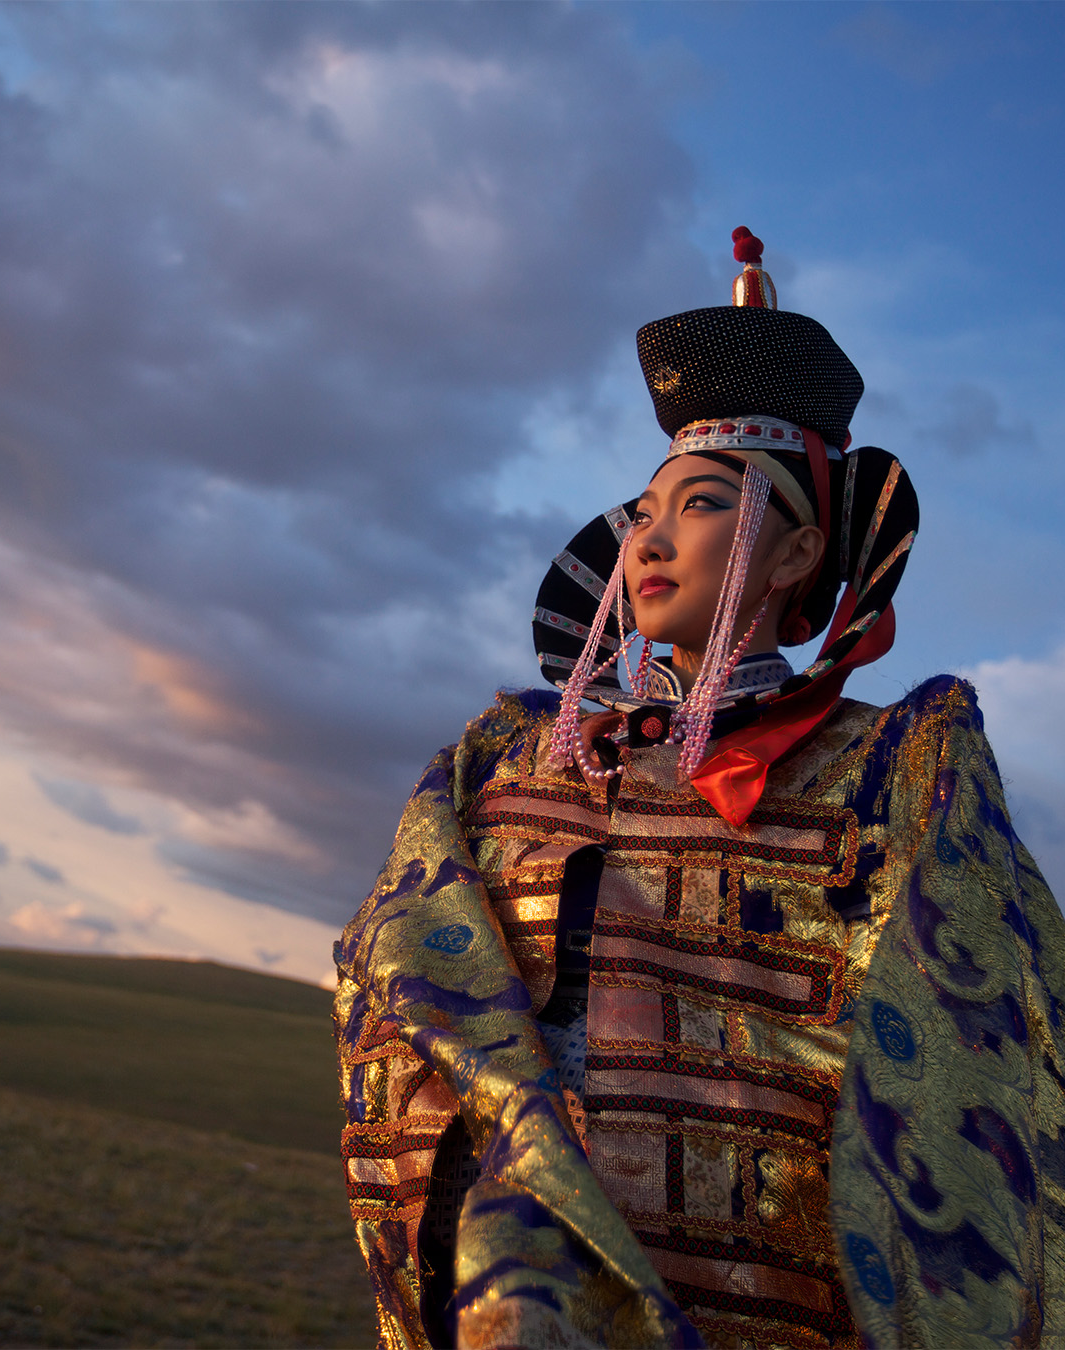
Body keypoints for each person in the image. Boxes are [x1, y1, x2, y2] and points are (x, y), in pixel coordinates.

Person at [334, 229, 1065, 1350]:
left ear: (795, 553)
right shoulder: (506, 761)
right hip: (525, 1274)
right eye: (649, 508)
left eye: (708, 503)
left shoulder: (898, 772)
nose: (653, 537)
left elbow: (986, 1064)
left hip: (778, 1296)